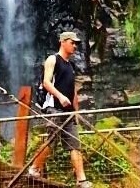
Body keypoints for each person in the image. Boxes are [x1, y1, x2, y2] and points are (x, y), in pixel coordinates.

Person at [29, 31, 92, 188]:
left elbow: (73, 91)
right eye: (72, 42)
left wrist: (76, 111)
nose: (75, 45)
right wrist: (60, 96)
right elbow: (46, 82)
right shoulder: (53, 59)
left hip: (69, 112)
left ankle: (81, 180)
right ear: (63, 42)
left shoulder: (70, 65)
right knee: (51, 142)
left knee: (75, 145)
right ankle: (34, 168)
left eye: (76, 43)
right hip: (54, 109)